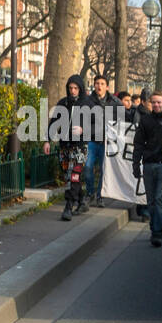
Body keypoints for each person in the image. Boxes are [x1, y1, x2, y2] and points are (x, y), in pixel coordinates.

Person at [132, 92, 162, 247]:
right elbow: (138, 143)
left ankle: (157, 232)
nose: (156, 105)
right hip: (149, 164)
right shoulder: (145, 120)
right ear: (150, 104)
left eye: (159, 102)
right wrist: (136, 164)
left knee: (159, 199)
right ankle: (154, 227)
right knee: (151, 200)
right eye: (154, 102)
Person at [44, 74, 90, 221]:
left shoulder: (87, 104)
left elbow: (98, 125)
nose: (73, 91)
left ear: (80, 89)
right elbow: (53, 123)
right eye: (70, 88)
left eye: (76, 88)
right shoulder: (62, 103)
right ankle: (81, 199)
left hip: (80, 146)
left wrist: (84, 130)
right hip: (65, 146)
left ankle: (68, 207)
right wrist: (47, 140)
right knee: (69, 177)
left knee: (75, 176)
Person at [85, 74, 118, 208]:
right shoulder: (88, 101)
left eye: (102, 84)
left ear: (107, 87)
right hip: (91, 140)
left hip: (106, 142)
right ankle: (90, 192)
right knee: (87, 167)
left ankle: (99, 196)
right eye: (97, 83)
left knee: (104, 171)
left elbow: (121, 120)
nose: (99, 86)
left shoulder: (114, 102)